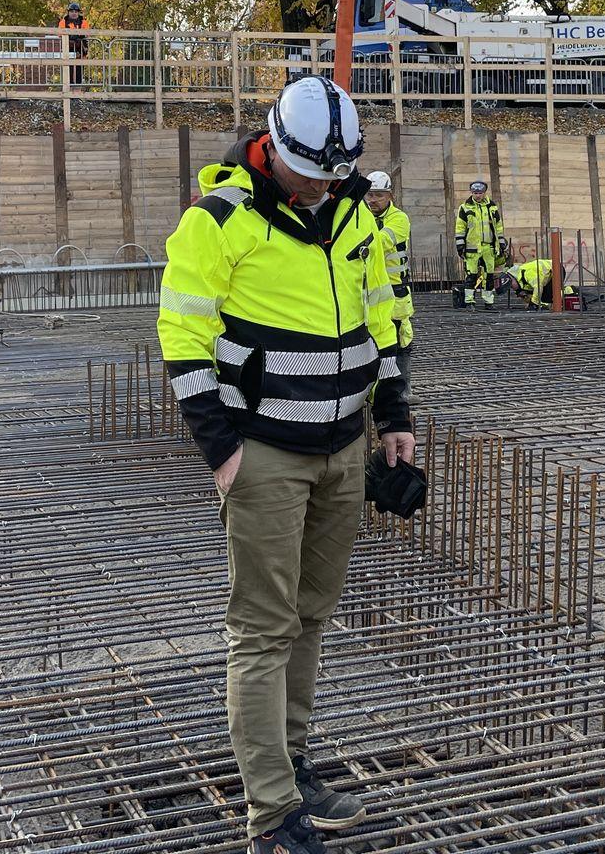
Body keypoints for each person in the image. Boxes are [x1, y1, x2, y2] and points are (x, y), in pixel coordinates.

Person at [158, 76, 415, 854]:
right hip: (263, 454)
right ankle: (270, 816)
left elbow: (380, 314)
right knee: (263, 631)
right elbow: (182, 341)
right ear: (273, 147)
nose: (320, 188)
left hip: (340, 449)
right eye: (310, 174)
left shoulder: (348, 215)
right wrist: (223, 454)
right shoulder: (216, 222)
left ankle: (292, 767)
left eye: (334, 177)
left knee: (310, 617)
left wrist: (394, 418)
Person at [365, 171, 413, 367]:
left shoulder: (399, 219)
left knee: (400, 340)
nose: (373, 200)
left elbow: (380, 242)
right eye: (369, 194)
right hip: (367, 291)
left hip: (394, 292)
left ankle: (403, 392)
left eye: (379, 195)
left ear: (390, 196)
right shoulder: (361, 217)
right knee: (370, 343)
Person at [454, 179, 505, 307]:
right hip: (472, 247)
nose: (477, 195)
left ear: (484, 193)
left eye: (480, 193)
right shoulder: (465, 208)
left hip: (489, 246)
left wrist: (501, 242)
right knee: (471, 275)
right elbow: (460, 227)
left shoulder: (491, 207)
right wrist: (460, 245)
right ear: (471, 193)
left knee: (489, 276)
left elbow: (498, 226)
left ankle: (488, 301)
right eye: (475, 193)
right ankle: (469, 300)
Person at [58, 0, 89, 87]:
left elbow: (85, 34)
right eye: (72, 11)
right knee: (68, 69)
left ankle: (77, 92)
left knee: (79, 70)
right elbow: (60, 34)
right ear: (68, 12)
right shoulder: (63, 22)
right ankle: (69, 91)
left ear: (78, 12)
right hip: (68, 49)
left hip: (80, 49)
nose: (74, 13)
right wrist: (72, 37)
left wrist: (76, 36)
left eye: (76, 11)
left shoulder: (83, 22)